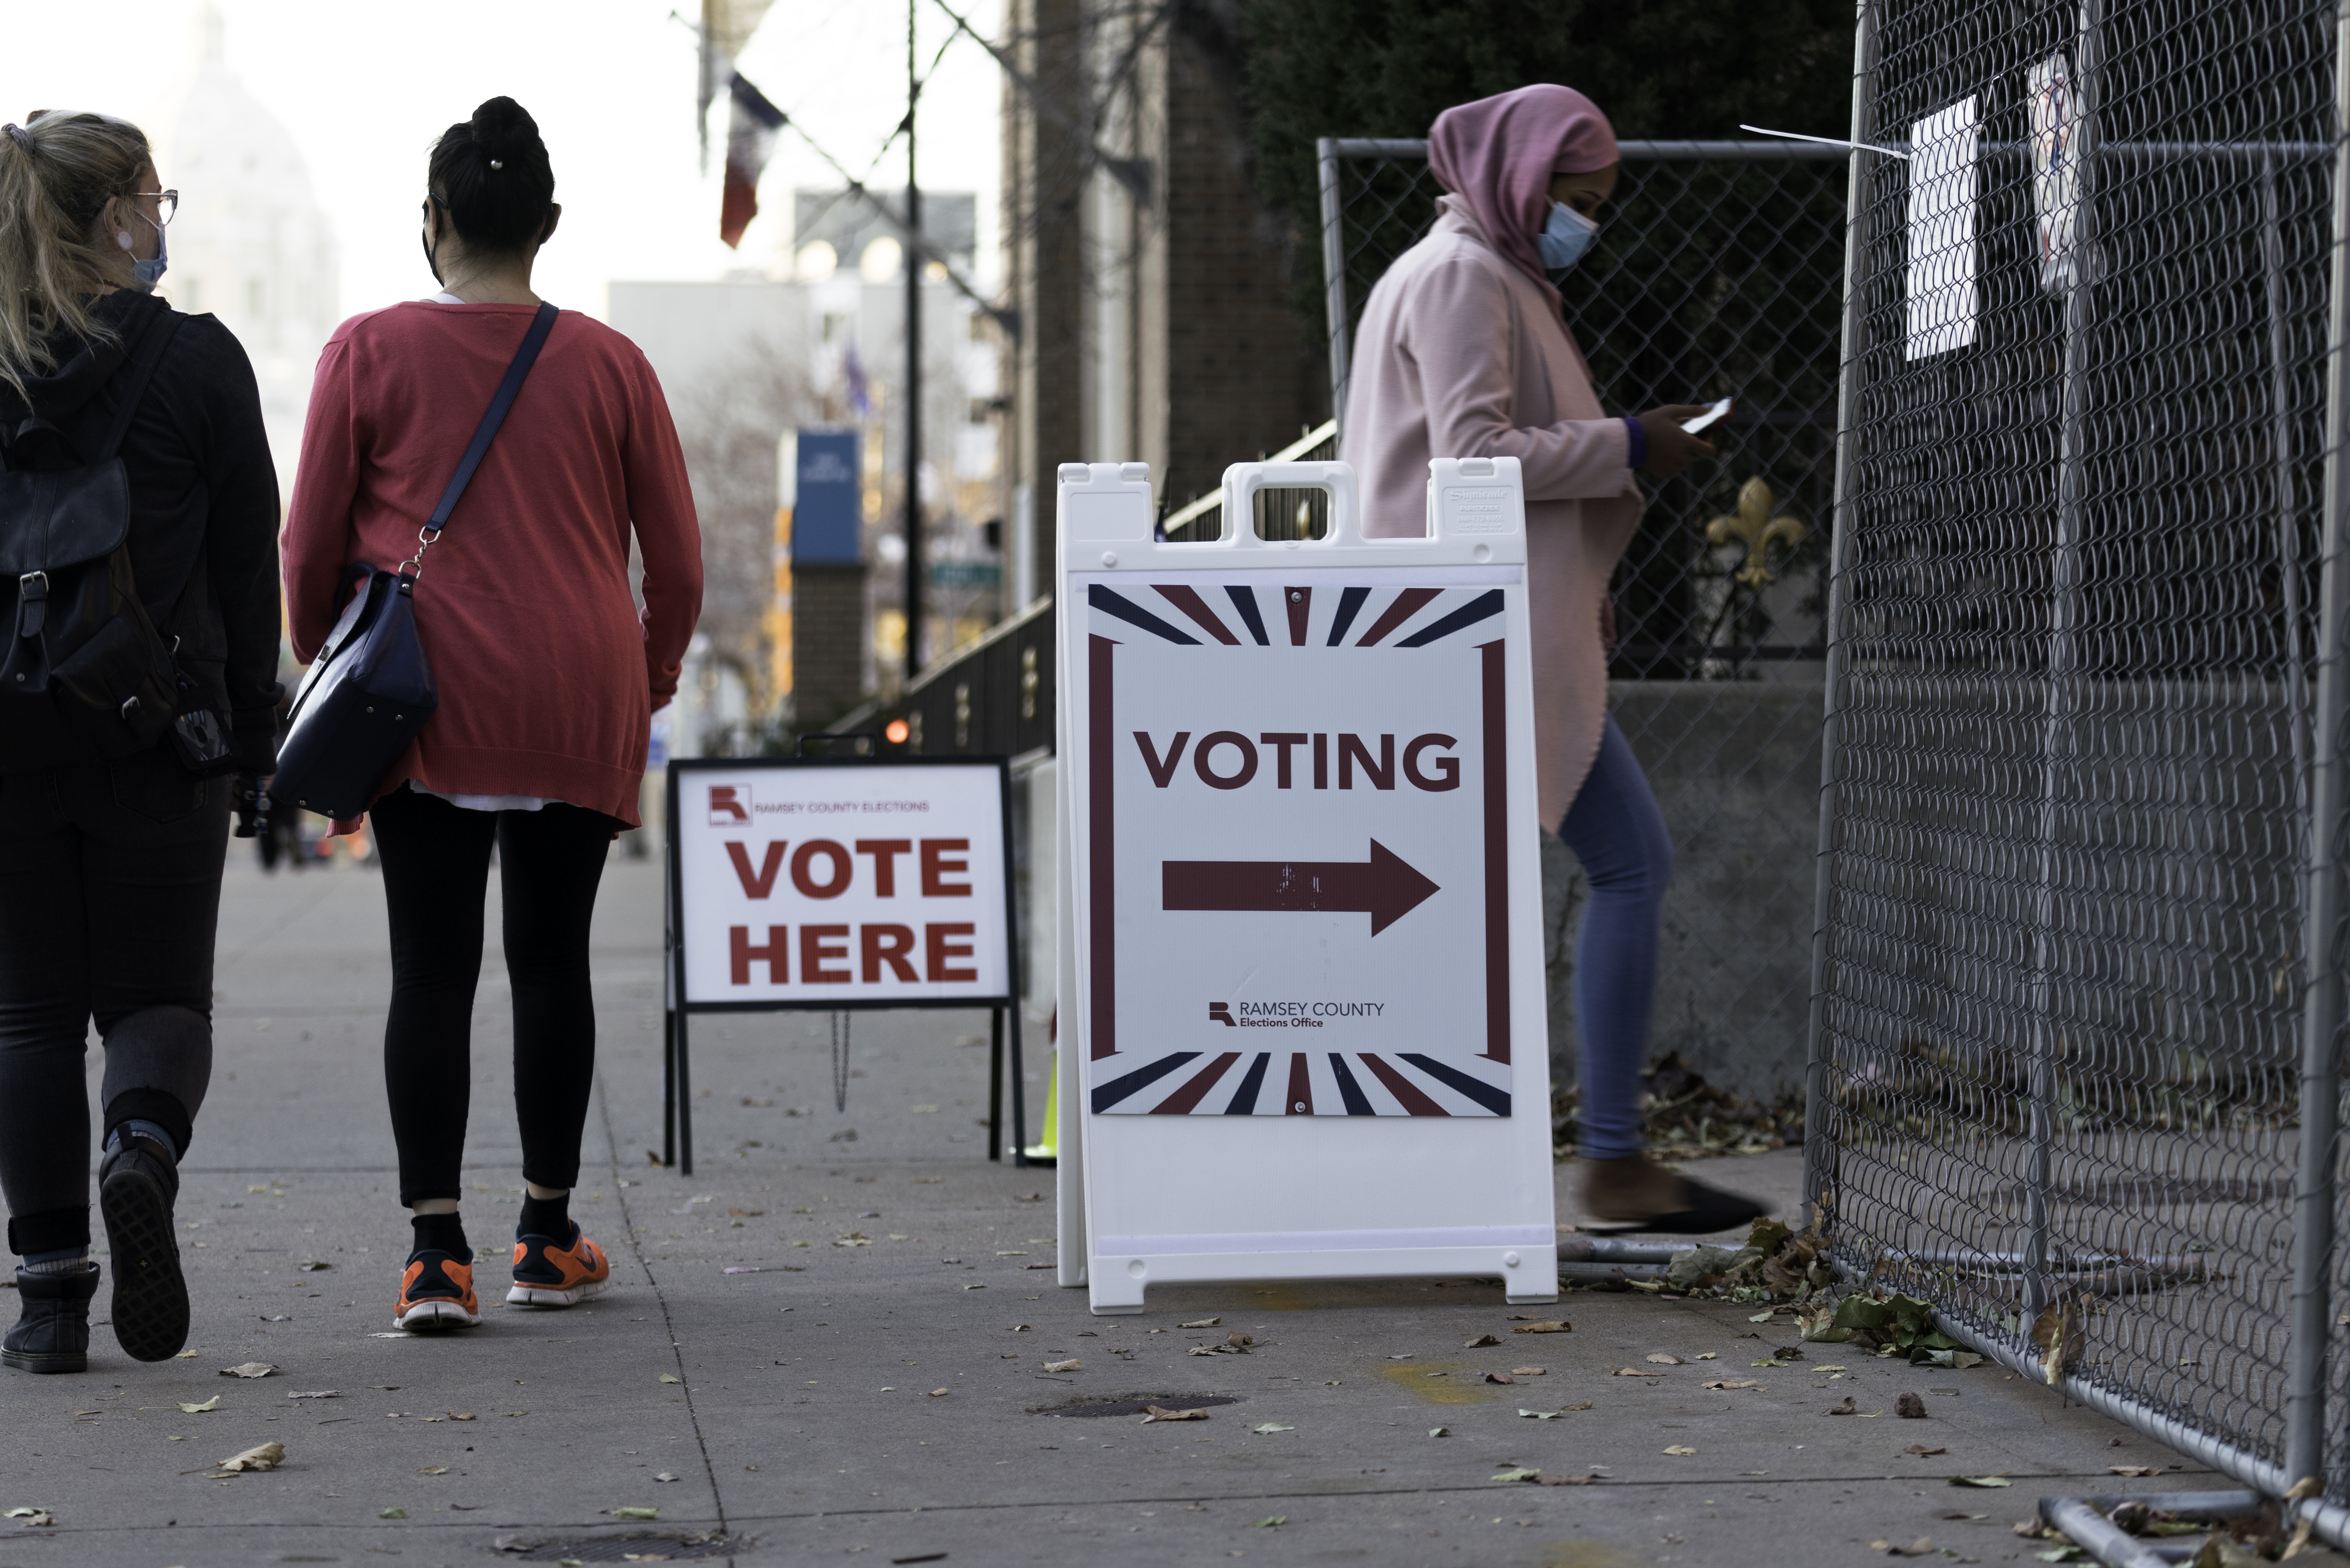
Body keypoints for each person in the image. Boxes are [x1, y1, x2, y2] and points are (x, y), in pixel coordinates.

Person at [281, 98, 702, 1332]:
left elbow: (307, 544)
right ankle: (546, 1231)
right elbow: (673, 561)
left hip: (424, 695)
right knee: (552, 959)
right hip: (577, 689)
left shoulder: (365, 350)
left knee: (432, 963)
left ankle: (433, 1256)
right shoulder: (613, 363)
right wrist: (651, 675)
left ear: (433, 222)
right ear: (548, 224)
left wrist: (328, 666)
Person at [1340, 84, 1762, 1233]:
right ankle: (1610, 1160)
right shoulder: (1470, 277)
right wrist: (1633, 442)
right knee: (1627, 865)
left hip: (1460, 622)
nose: (1586, 222)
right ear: (1523, 180)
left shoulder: (1464, 270)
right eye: (1575, 200)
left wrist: (1630, 440)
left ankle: (1574, 1157)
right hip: (1474, 627)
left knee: (1556, 879)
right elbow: (1473, 453)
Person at [0, 110, 281, 1370]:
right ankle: (142, 1149)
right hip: (160, 728)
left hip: (7, 736)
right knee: (159, 998)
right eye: (156, 201)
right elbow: (245, 572)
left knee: (28, 1019)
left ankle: (51, 1302)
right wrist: (260, 743)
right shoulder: (201, 361)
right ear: (119, 215)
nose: (163, 222)